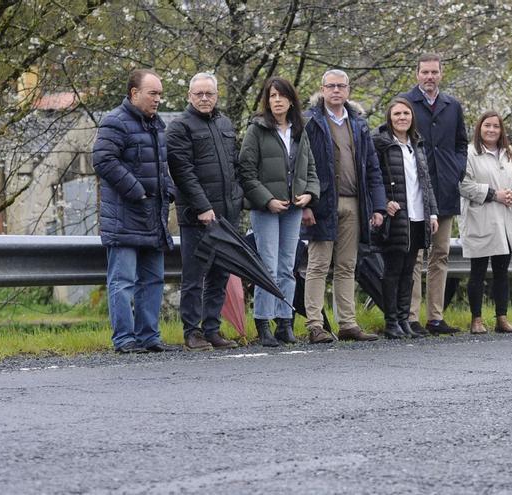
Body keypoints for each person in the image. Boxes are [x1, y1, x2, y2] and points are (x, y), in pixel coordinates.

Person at [92, 68, 176, 353]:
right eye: (153, 93)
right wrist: (137, 191)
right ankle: (125, 339)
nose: (158, 99)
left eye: (160, 94)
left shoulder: (156, 125)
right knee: (123, 282)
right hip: (125, 217)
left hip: (153, 217)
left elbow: (162, 166)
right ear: (134, 93)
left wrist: (170, 190)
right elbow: (103, 161)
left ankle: (149, 337)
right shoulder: (115, 122)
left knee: (153, 280)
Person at [301, 69, 387, 344]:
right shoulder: (310, 121)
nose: (336, 91)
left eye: (341, 86)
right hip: (322, 201)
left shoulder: (359, 123)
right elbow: (302, 165)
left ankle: (347, 323)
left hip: (354, 201)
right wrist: (306, 203)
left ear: (348, 90)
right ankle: (315, 325)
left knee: (347, 265)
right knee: (317, 265)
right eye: (331, 86)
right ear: (322, 89)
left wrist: (378, 206)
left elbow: (372, 166)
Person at [238, 76, 319, 347]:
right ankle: (263, 323)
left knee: (288, 266)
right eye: (272, 96)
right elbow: (246, 173)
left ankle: (285, 322)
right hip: (267, 209)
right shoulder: (257, 129)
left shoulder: (299, 130)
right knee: (268, 266)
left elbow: (310, 170)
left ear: (290, 100)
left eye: (281, 96)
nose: (277, 100)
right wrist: (267, 200)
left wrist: (309, 194)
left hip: (293, 209)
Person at [166, 72, 243, 352]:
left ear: (216, 95)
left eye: (209, 93)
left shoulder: (224, 123)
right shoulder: (179, 128)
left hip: (227, 215)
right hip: (197, 218)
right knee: (194, 276)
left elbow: (234, 165)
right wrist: (203, 207)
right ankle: (192, 332)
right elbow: (183, 173)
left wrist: (238, 199)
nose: (204, 98)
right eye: (198, 93)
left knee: (220, 275)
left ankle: (212, 329)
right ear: (189, 96)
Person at [401, 53, 468, 336]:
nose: (429, 77)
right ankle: (412, 317)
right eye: (424, 72)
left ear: (441, 74)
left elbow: (461, 143)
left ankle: (436, 317)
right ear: (417, 74)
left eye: (434, 72)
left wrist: (456, 170)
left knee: (439, 254)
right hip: (415, 191)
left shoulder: (452, 105)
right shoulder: (405, 104)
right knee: (414, 255)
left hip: (445, 189)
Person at [372, 97, 439, 339]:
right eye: (397, 114)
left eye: (406, 114)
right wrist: (381, 203)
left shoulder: (417, 144)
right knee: (393, 268)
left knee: (409, 269)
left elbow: (426, 182)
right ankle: (391, 322)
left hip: (418, 214)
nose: (402, 118)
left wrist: (432, 212)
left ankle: (404, 319)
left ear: (412, 118)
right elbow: (373, 177)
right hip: (395, 215)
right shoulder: (380, 143)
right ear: (390, 117)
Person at [460, 111, 512, 334]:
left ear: (501, 130)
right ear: (479, 128)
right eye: (487, 126)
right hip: (481, 217)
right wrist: (493, 194)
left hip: (506, 218)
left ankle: (502, 317)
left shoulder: (510, 154)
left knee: (502, 271)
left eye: (496, 126)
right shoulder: (469, 153)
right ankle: (477, 319)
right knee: (478, 271)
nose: (491, 130)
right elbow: (463, 184)